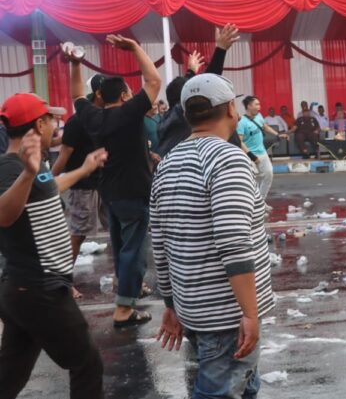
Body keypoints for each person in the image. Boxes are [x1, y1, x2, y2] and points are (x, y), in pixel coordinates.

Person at [151, 74, 275, 399]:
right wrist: (249, 313)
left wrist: (170, 303)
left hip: (193, 307)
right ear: (232, 109)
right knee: (218, 392)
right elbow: (234, 242)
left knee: (246, 385)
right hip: (228, 314)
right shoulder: (228, 159)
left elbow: (159, 242)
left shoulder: (168, 164)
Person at [0, 93, 107, 399]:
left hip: (26, 290)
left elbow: (47, 188)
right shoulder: (10, 167)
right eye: (51, 120)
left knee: (11, 372)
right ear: (39, 124)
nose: (55, 126)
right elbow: (4, 215)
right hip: (38, 288)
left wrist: (84, 169)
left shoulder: (31, 166)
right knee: (87, 364)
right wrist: (28, 173)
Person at [69, 34, 162, 328]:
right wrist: (135, 47)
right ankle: (124, 309)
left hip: (109, 193)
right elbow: (154, 81)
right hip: (134, 193)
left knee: (122, 247)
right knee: (134, 251)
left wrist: (75, 63)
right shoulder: (129, 114)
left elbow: (76, 96)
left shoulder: (93, 117)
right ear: (123, 95)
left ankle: (126, 296)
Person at [52, 75, 109, 300]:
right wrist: (46, 184)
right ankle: (63, 282)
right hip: (82, 185)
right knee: (77, 235)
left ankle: (126, 280)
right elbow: (64, 154)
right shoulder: (78, 121)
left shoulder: (103, 117)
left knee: (118, 231)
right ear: (98, 94)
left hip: (102, 183)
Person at [157, 24, 241, 157]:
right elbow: (205, 87)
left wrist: (191, 72)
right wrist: (220, 50)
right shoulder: (179, 115)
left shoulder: (167, 120)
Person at [237, 96, 287, 201]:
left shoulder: (259, 116)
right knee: (250, 182)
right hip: (249, 156)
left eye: (259, 104)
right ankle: (251, 203)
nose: (259, 107)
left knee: (268, 175)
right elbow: (239, 141)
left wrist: (278, 134)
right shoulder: (242, 122)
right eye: (256, 104)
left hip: (262, 153)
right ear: (249, 106)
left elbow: (265, 126)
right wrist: (252, 156)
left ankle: (261, 201)